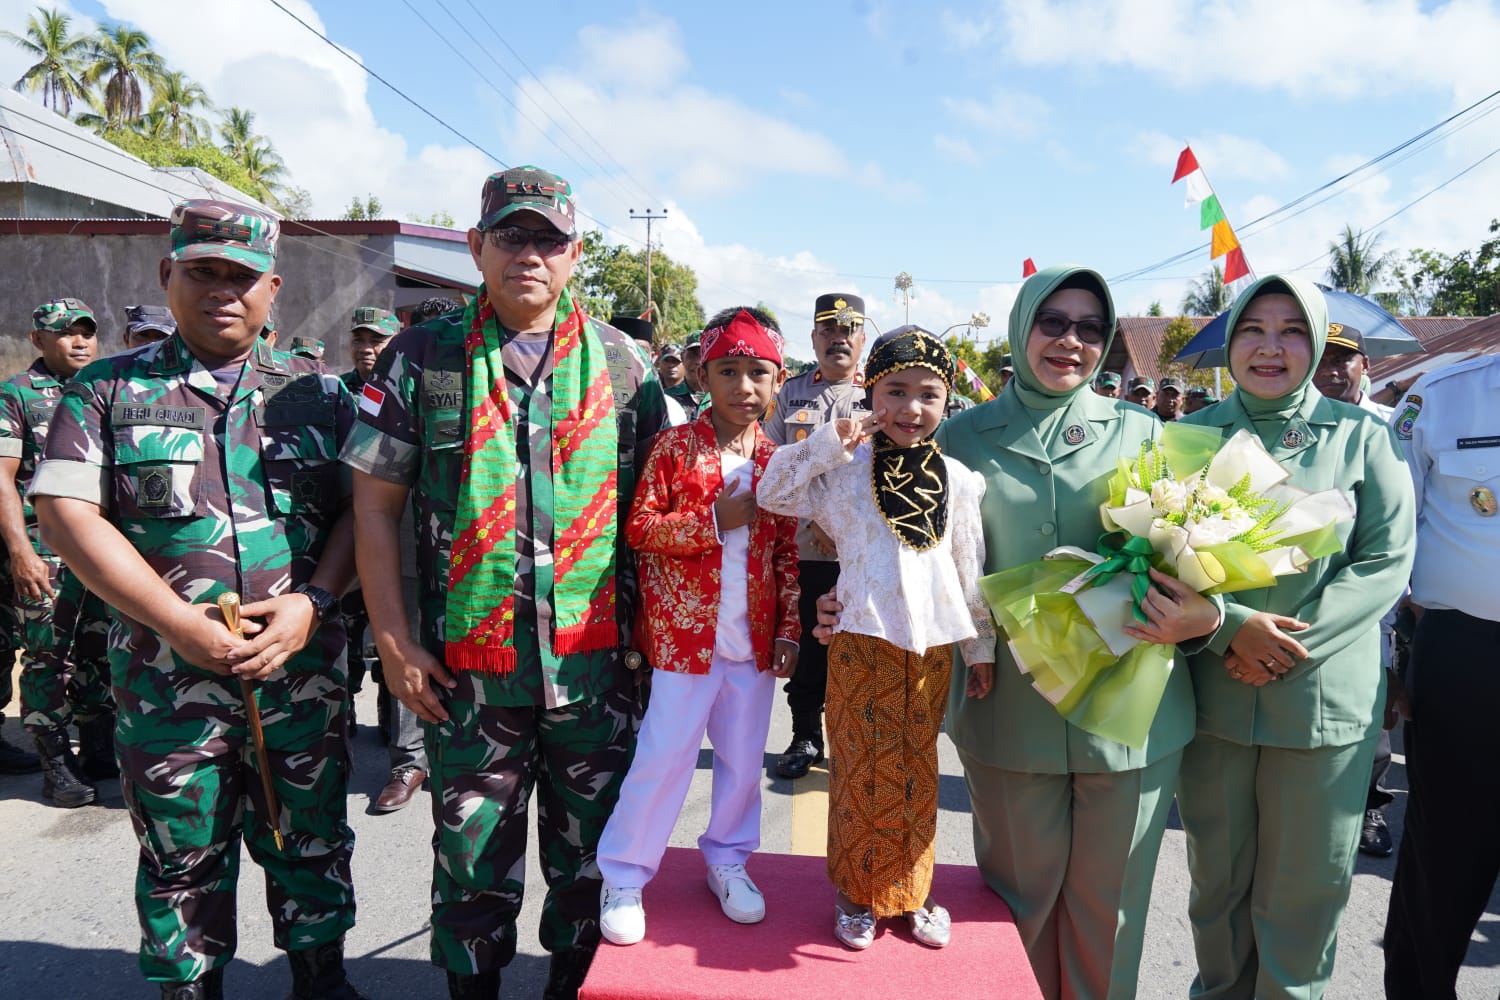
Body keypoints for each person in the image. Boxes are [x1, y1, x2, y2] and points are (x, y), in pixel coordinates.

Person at [342, 165, 666, 1000]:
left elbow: (655, 518)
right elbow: (374, 506)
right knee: (470, 865)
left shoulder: (627, 365)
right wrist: (392, 642)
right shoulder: (423, 354)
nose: (530, 253)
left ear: (574, 254)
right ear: (477, 246)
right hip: (468, 673)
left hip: (596, 672)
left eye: (548, 239)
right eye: (511, 235)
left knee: (591, 864)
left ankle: (572, 988)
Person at [30, 199, 365, 1000]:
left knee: (312, 840)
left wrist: (315, 602)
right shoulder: (107, 392)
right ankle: (190, 987)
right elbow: (67, 514)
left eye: (240, 277)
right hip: (165, 681)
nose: (222, 290)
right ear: (166, 276)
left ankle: (320, 982)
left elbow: (367, 512)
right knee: (180, 854)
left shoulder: (320, 396)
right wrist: (176, 622)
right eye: (202, 271)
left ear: (272, 288)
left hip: (299, 676)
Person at [931, 266, 1216, 998]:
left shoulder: (1146, 432)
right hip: (1009, 706)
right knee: (1015, 909)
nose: (1071, 341)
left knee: (1109, 914)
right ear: (1021, 327)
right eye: (1052, 322)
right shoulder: (958, 436)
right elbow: (926, 562)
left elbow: (1190, 554)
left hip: (1130, 708)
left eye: (1091, 328)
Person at [1174, 274, 1414, 1000]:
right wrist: (1230, 629)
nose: (1270, 348)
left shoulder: (1363, 437)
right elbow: (1154, 555)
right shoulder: (1187, 435)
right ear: (1230, 343)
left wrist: (1283, 645)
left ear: (1316, 344)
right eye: (1253, 329)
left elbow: (1385, 561)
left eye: (1292, 331)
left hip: (1320, 699)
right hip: (1214, 698)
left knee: (1304, 896)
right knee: (1217, 891)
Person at [759, 326, 992, 951]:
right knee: (859, 772)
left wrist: (981, 649)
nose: (912, 408)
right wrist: (829, 441)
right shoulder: (844, 471)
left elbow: (968, 569)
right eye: (896, 391)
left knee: (918, 770)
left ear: (947, 401)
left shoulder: (959, 480)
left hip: (931, 651)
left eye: (929, 394)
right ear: (870, 394)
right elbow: (772, 491)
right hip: (860, 639)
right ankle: (855, 894)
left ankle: (913, 892)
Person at [597, 306, 799, 946]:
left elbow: (787, 553)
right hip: (685, 642)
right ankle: (625, 874)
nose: (744, 386)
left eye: (758, 372)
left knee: (742, 761)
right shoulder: (673, 448)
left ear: (778, 380)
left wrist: (788, 631)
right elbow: (639, 530)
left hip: (751, 643)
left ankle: (729, 860)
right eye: (728, 371)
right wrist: (714, 522)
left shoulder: (778, 462)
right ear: (701, 376)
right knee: (663, 757)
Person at [1383, 350, 1500, 999]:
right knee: (1445, 857)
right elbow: (1383, 537)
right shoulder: (1441, 397)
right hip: (1467, 657)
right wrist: (1381, 660)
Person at [0, 298, 106, 808]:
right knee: (47, 657)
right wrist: (21, 551)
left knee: (99, 650)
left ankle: (99, 746)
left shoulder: (103, 388)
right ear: (38, 340)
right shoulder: (16, 394)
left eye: (87, 331)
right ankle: (56, 763)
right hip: (46, 552)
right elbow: (2, 478)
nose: (80, 341)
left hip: (102, 548)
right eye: (66, 332)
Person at [762, 292, 869, 780]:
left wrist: (839, 527)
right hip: (804, 549)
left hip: (858, 551)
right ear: (814, 338)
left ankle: (855, 740)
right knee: (807, 647)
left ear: (862, 340)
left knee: (858, 649)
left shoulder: (879, 393)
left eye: (848, 331)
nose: (838, 340)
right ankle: (805, 735)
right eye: (828, 331)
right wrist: (815, 524)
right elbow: (774, 463)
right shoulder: (791, 394)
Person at [336, 304, 432, 813]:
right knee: (400, 645)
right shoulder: (340, 391)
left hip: (466, 543)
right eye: (361, 339)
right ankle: (407, 759)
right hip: (395, 537)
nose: (368, 348)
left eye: (379, 338)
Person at [1312, 323, 1399, 858]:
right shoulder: (1295, 426)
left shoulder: (1392, 426)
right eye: (1322, 358)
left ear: (1366, 365)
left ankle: (1369, 804)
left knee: (1373, 705)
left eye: (1342, 359)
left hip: (1380, 588)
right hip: (1310, 582)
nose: (1330, 370)